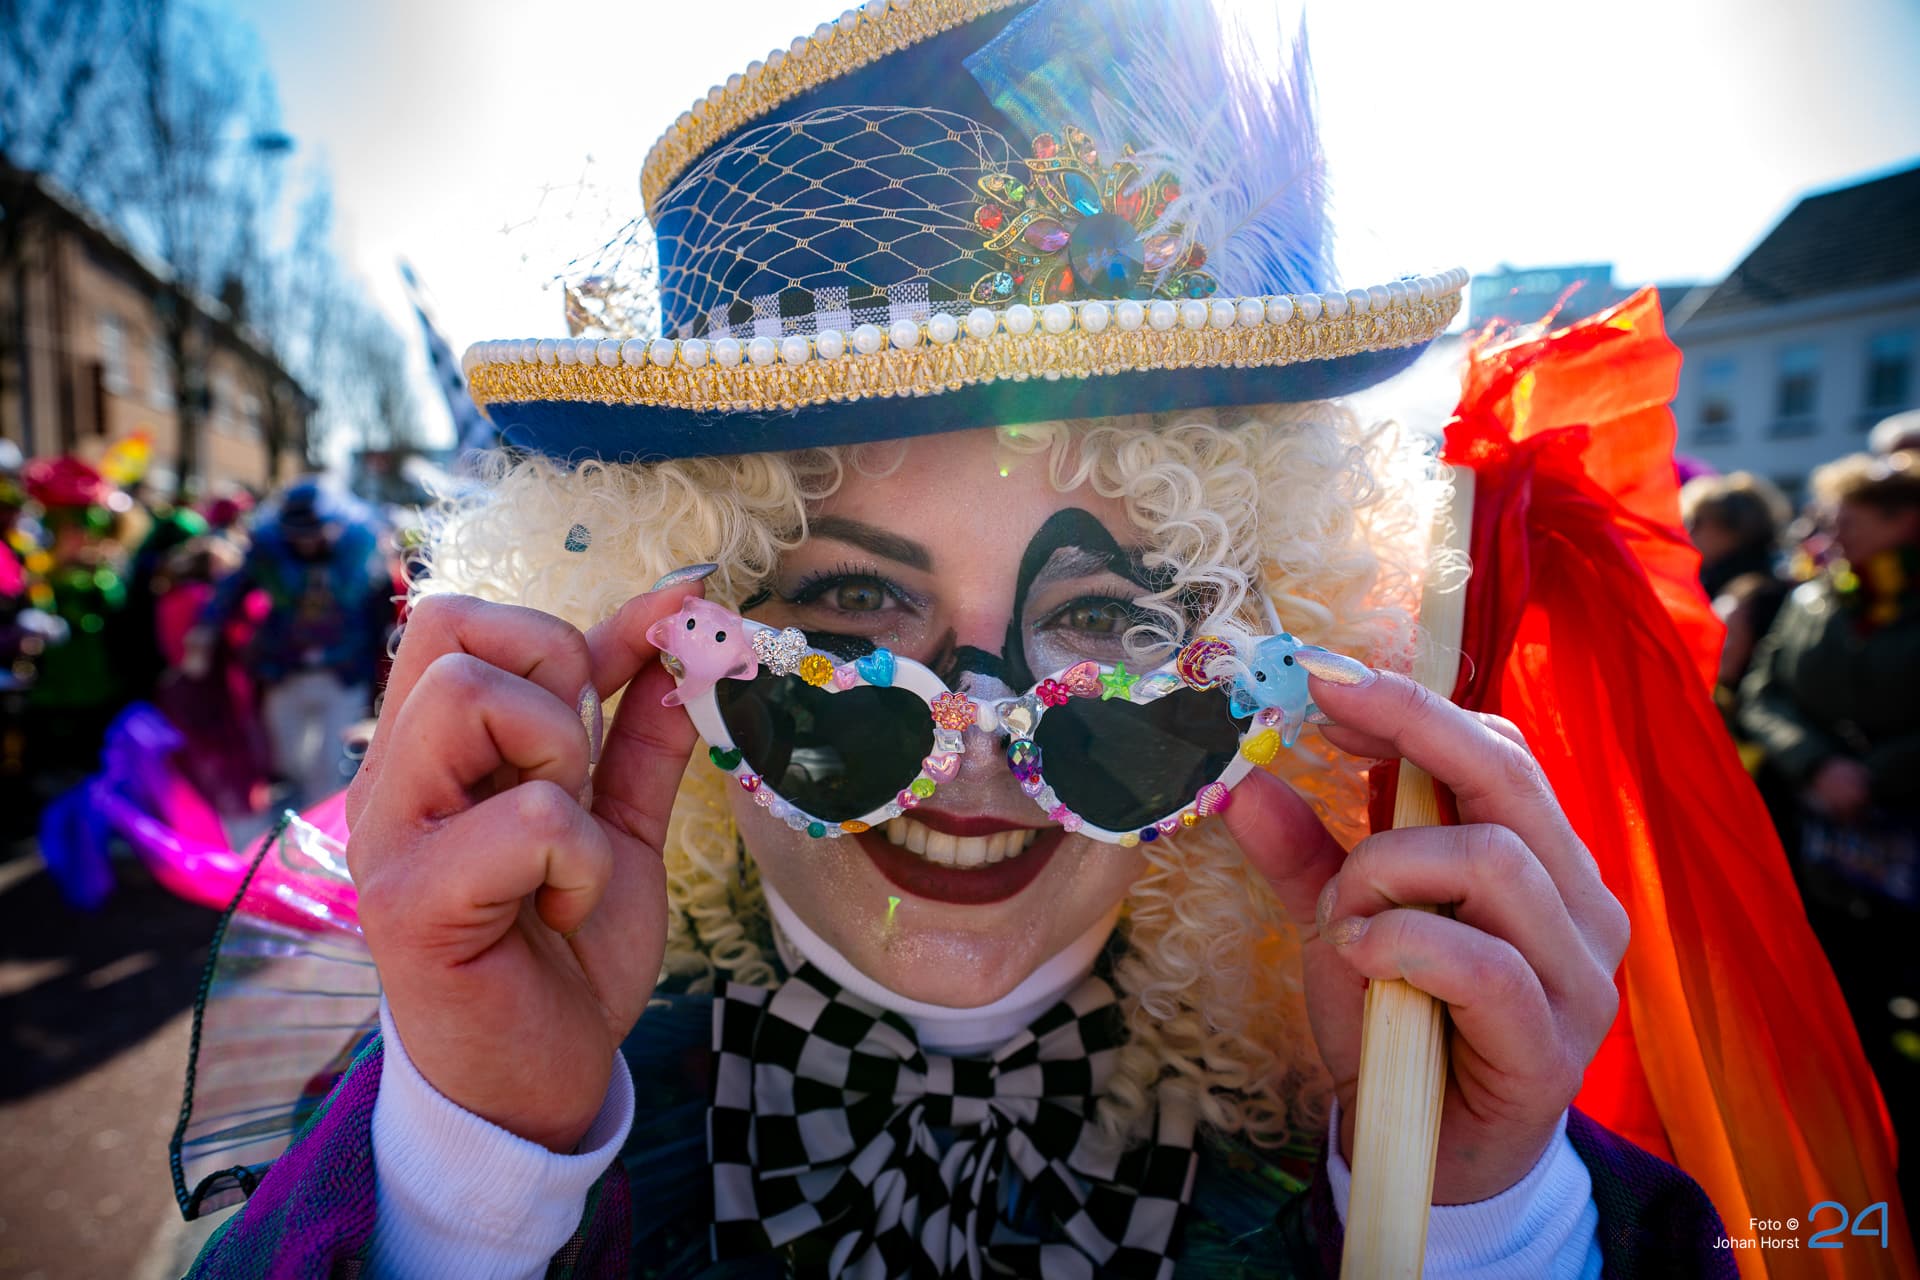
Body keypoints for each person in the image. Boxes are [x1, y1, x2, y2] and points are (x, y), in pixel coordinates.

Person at [181, 3, 1908, 1276]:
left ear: (1276, 665)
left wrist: (1464, 1222)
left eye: (1109, 636)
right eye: (844, 629)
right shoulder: (482, 1107)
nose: (977, 751)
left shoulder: (1401, 1153)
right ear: (660, 658)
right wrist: (474, 1172)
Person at [1738, 449, 1920, 1217]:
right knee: (1839, 989)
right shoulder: (1815, 598)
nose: (1830, 532)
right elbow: (1762, 692)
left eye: (1849, 519)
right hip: (1819, 839)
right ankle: (1846, 1134)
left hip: (1905, 826)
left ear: (1904, 522)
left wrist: (1875, 774)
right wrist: (1816, 764)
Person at [186, 478, 392, 807]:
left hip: (343, 673)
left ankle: (318, 824)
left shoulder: (360, 551)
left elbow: (381, 610)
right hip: (285, 671)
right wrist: (206, 628)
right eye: (297, 531)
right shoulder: (269, 552)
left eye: (314, 530)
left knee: (331, 763)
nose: (305, 539)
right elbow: (231, 588)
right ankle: (297, 813)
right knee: (287, 758)